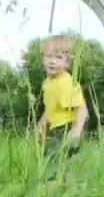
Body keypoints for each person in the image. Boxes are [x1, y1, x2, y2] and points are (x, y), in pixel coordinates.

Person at [38, 35, 88, 184]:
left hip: (67, 127)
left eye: (58, 57)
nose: (52, 61)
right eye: (48, 56)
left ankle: (52, 195)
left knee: (53, 164)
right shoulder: (47, 83)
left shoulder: (66, 82)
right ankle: (66, 192)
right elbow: (51, 108)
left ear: (67, 63)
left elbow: (82, 108)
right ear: (43, 58)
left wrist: (76, 130)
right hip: (55, 128)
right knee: (59, 164)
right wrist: (41, 124)